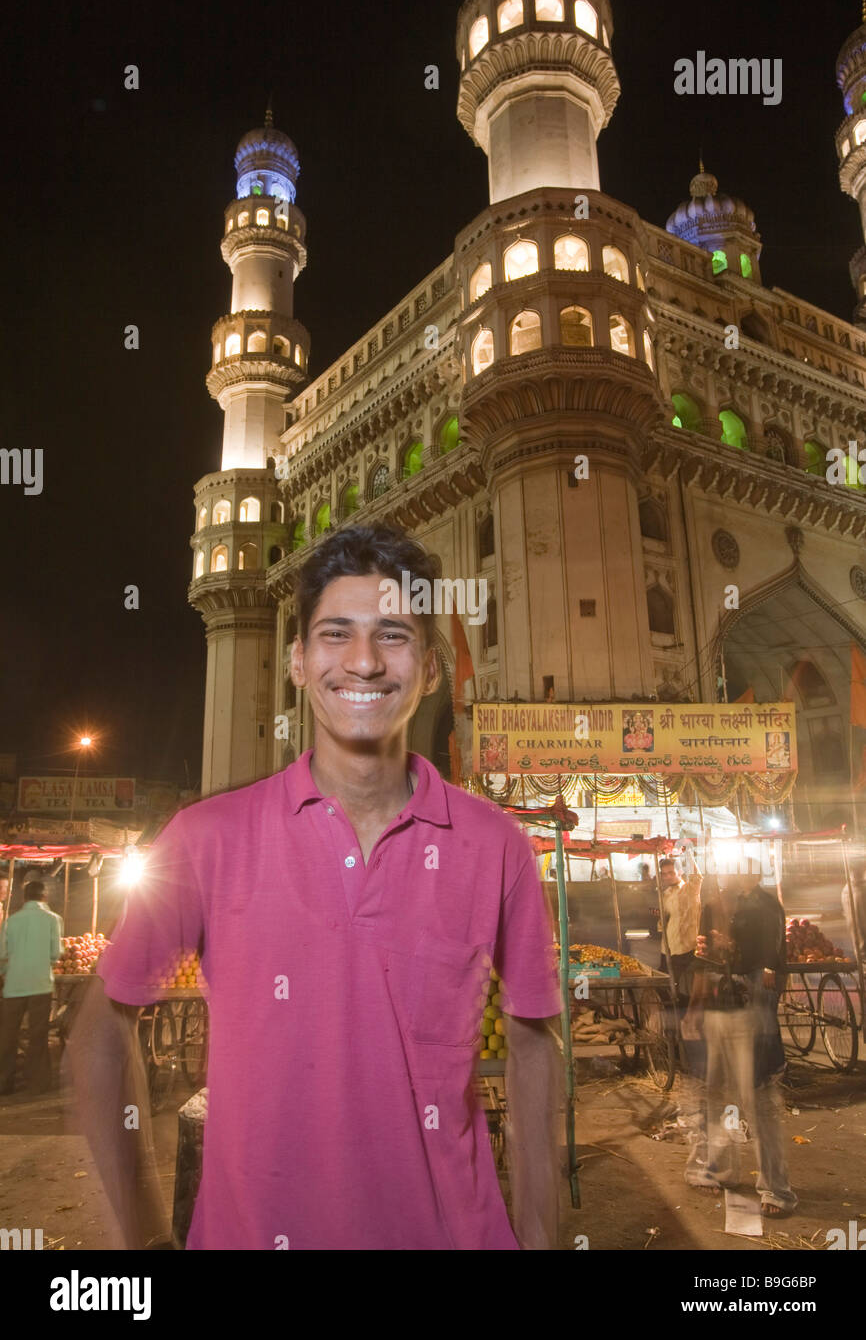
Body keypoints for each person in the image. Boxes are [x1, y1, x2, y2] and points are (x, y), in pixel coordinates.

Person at [67, 522, 563, 1251]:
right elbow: (99, 1032)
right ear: (297, 661)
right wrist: (144, 1240)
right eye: (335, 634)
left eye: (392, 635)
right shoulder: (207, 839)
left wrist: (540, 1238)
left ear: (431, 668)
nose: (362, 662)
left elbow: (532, 1043)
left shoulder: (494, 846)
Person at [682, 869, 797, 1218]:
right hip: (717, 1010)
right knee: (712, 1093)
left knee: (758, 1100)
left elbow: (771, 963)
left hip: (752, 1010)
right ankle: (712, 1168)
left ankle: (776, 1190)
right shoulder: (710, 903)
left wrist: (735, 950)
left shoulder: (766, 907)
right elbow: (702, 961)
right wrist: (694, 1008)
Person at [0, 879, 63, 1095]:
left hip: (13, 986)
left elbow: (1, 954)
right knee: (38, 1035)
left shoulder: (11, 921)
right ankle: (37, 1084)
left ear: (25, 897)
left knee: (7, 1035)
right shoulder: (53, 920)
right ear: (44, 897)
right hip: (40, 985)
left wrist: (6, 972)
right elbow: (55, 954)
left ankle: (4, 1083)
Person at [655, 856, 701, 993]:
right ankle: (678, 1011)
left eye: (671, 873)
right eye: (664, 874)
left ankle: (681, 1011)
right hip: (667, 947)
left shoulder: (690, 889)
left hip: (685, 948)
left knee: (670, 986)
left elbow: (697, 876)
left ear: (680, 872)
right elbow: (663, 919)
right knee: (661, 985)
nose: (667, 877)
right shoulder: (665, 894)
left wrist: (687, 853)